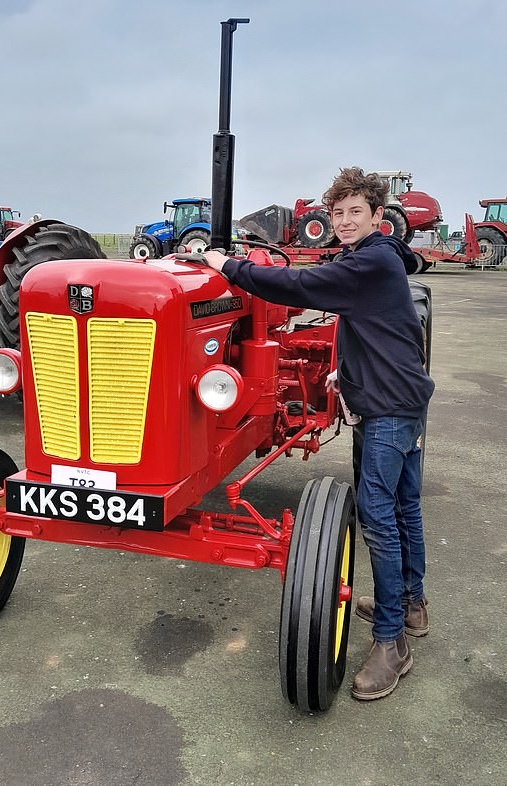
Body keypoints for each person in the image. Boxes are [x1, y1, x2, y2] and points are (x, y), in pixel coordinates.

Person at [203, 166, 434, 701]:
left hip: (389, 409)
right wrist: (345, 371)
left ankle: (392, 643)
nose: (345, 221)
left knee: (377, 518)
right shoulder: (375, 261)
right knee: (405, 507)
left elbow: (299, 284)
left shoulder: (371, 261)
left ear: (380, 217)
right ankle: (413, 605)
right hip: (397, 397)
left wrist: (229, 266)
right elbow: (369, 325)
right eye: (338, 213)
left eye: (357, 212)